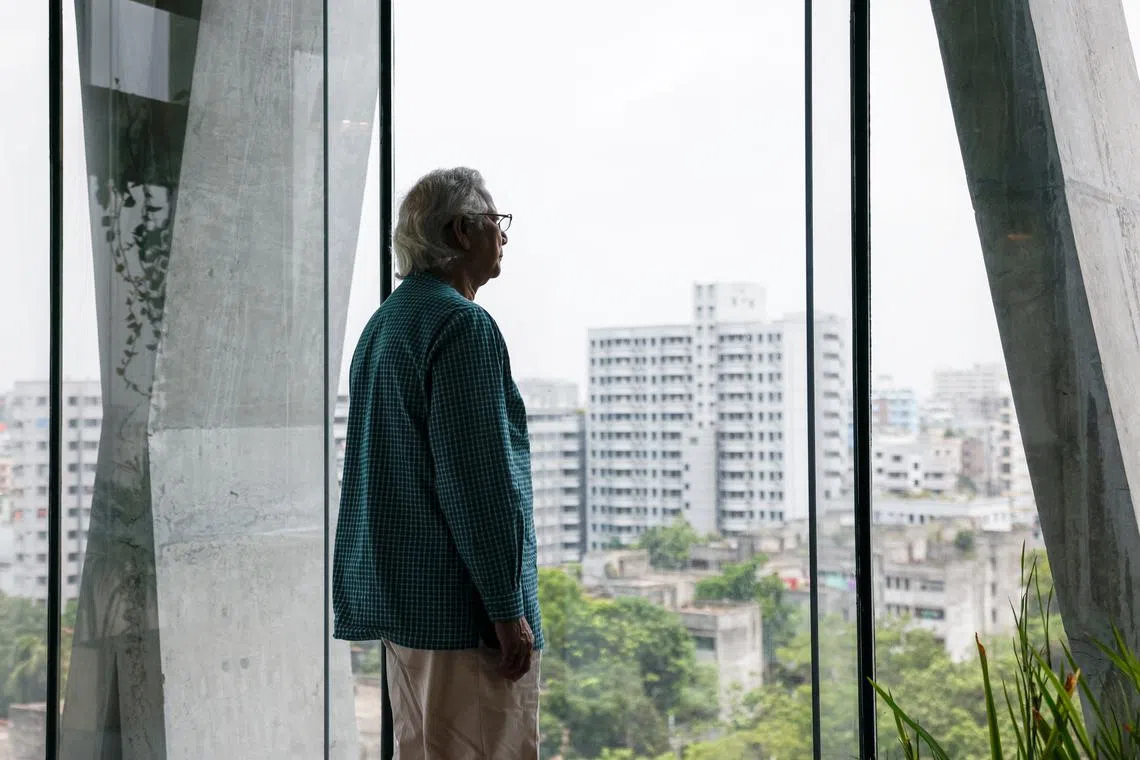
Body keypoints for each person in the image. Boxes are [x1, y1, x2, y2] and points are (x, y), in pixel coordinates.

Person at [332, 167, 543, 759]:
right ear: (461, 230)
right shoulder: (462, 326)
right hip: (463, 618)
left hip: (406, 608)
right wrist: (507, 612)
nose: (503, 239)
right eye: (495, 224)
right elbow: (478, 483)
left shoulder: (386, 324)